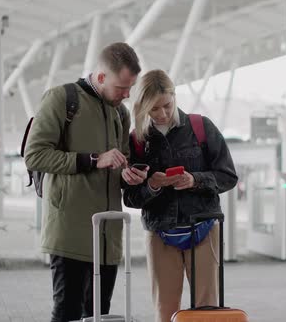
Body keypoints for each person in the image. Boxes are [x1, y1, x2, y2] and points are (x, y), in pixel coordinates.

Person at [24, 42, 148, 322]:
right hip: (70, 232)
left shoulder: (120, 112)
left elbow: (119, 161)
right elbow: (35, 155)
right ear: (101, 76)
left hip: (107, 234)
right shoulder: (61, 98)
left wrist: (129, 175)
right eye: (122, 88)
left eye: (130, 88)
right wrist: (93, 160)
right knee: (67, 313)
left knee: (99, 315)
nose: (127, 95)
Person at [123, 69, 237, 322]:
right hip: (160, 232)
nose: (162, 114)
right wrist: (152, 185)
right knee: (165, 309)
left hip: (203, 227)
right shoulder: (137, 141)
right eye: (154, 109)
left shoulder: (201, 127)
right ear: (142, 107)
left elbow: (228, 176)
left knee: (205, 309)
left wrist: (194, 179)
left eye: (167, 105)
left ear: (175, 96)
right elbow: (130, 198)